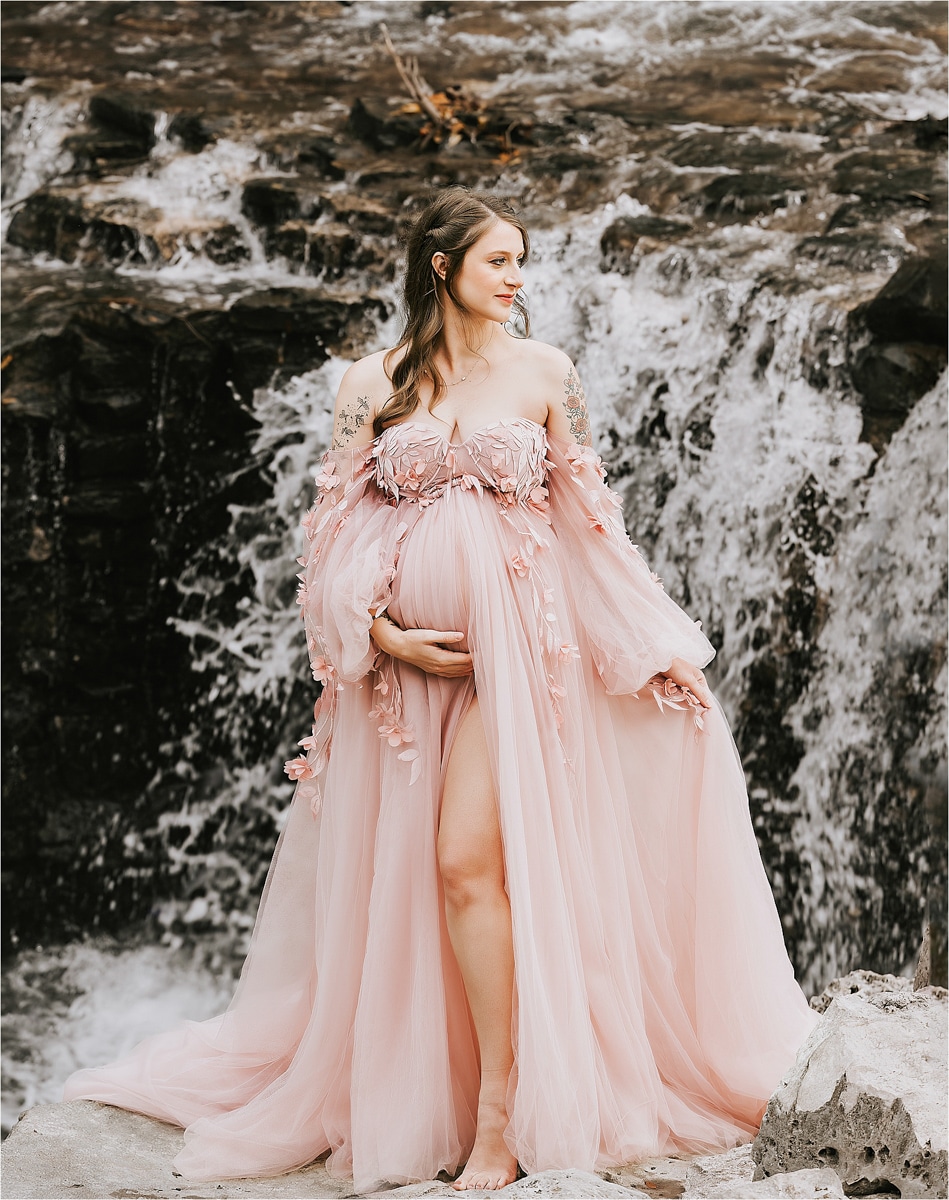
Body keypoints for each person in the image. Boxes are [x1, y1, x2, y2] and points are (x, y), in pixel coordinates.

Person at [64, 187, 818, 1193]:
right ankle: (456, 1092)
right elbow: (326, 543)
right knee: (436, 883)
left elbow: (594, 532)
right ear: (441, 266)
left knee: (467, 866)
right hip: (408, 680)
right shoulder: (368, 384)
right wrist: (381, 636)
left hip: (526, 662)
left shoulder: (548, 373)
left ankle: (502, 1118)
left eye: (521, 261)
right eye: (498, 260)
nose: (516, 278)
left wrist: (654, 648)